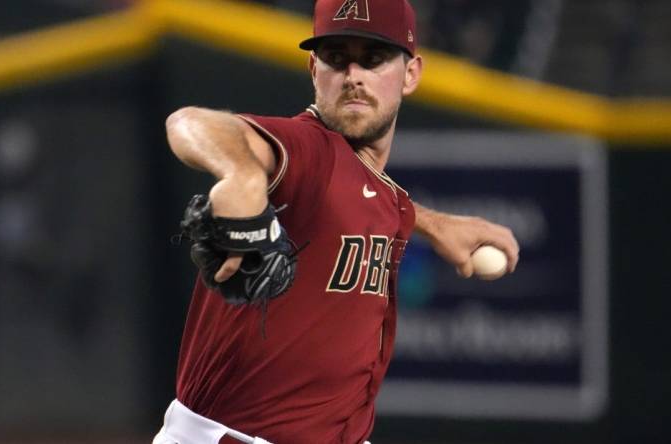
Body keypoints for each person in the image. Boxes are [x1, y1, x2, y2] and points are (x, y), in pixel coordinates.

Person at [154, 0, 519, 443]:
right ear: (313, 69)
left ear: (410, 74)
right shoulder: (308, 151)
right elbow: (190, 122)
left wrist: (435, 225)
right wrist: (243, 174)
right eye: (336, 58)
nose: (353, 76)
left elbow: (370, 197)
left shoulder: (377, 189)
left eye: (373, 59)